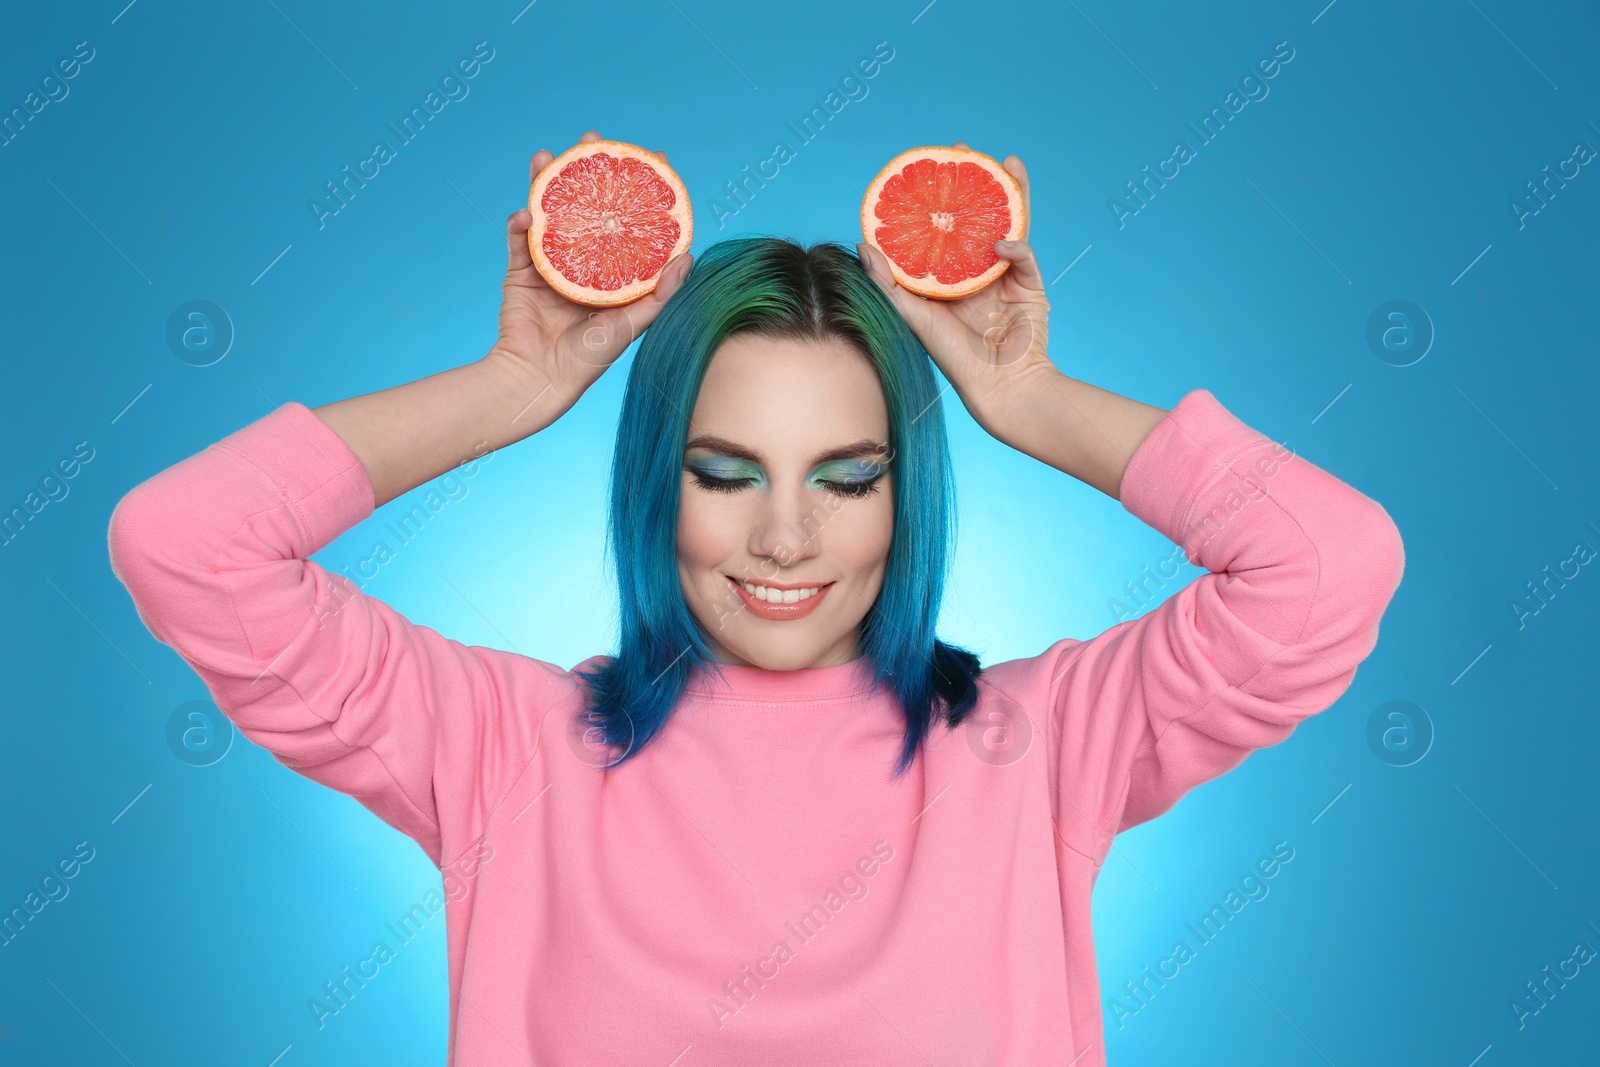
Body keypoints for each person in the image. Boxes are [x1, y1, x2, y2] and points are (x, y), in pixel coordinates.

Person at [107, 130, 1404, 1065]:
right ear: (654, 481)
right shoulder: (501, 748)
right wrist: (514, 386)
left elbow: (1327, 565)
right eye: (725, 473)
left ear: (905, 497)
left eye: (846, 479)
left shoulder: (1043, 748)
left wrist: (1028, 402)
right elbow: (186, 542)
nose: (785, 537)